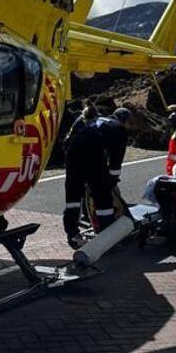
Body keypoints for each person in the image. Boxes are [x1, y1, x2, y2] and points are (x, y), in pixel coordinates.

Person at [61, 103, 117, 249]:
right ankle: (107, 235)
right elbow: (114, 154)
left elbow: (67, 144)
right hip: (94, 164)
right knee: (103, 200)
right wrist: (112, 176)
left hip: (73, 165)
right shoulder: (108, 127)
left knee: (73, 201)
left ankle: (73, 235)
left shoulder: (77, 124)